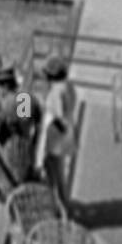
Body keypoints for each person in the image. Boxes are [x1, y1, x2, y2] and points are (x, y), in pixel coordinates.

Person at [0, 64, 41, 183]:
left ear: (2, 86)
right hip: (30, 152)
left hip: (11, 156)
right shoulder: (26, 97)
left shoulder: (3, 105)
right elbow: (34, 121)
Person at [36, 56, 79, 201]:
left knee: (53, 176)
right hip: (67, 134)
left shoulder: (56, 92)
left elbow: (57, 116)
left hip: (55, 139)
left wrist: (43, 108)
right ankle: (64, 205)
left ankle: (59, 207)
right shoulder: (69, 86)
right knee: (60, 174)